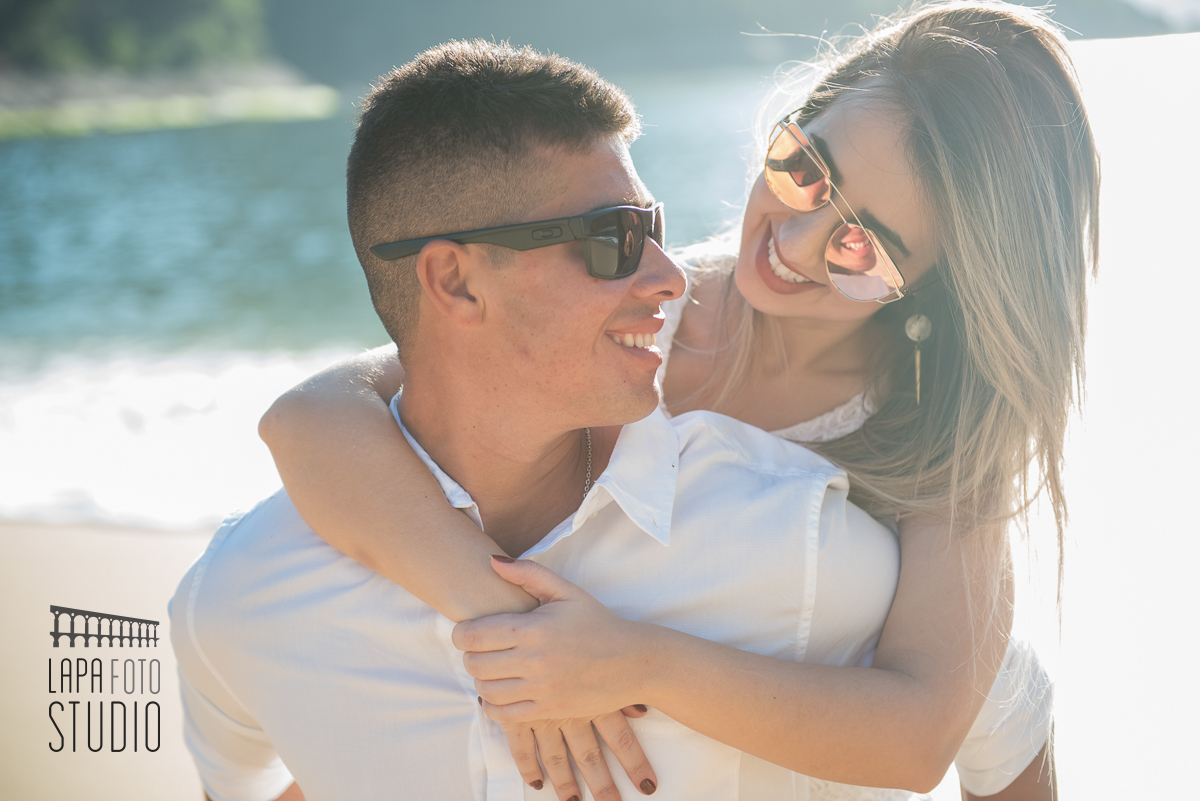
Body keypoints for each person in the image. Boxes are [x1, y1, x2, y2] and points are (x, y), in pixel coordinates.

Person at [258, 2, 1098, 799]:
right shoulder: (633, 301)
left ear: (935, 282)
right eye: (806, 170)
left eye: (860, 244)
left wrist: (630, 662)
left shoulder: (942, 426)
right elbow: (311, 417)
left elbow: (922, 737)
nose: (793, 241)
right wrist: (505, 617)